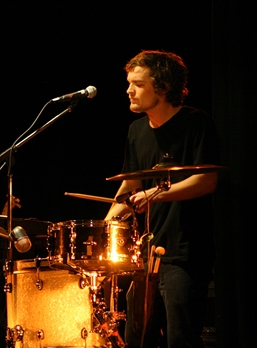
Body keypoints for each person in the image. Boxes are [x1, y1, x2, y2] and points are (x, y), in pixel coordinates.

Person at [105, 50, 219, 348]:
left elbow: (206, 180)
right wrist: (107, 223)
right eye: (129, 83)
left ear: (163, 87)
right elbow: (130, 184)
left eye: (138, 84)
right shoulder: (136, 130)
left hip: (184, 251)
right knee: (136, 336)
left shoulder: (196, 123)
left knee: (180, 337)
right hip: (144, 252)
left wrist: (152, 195)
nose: (129, 90)